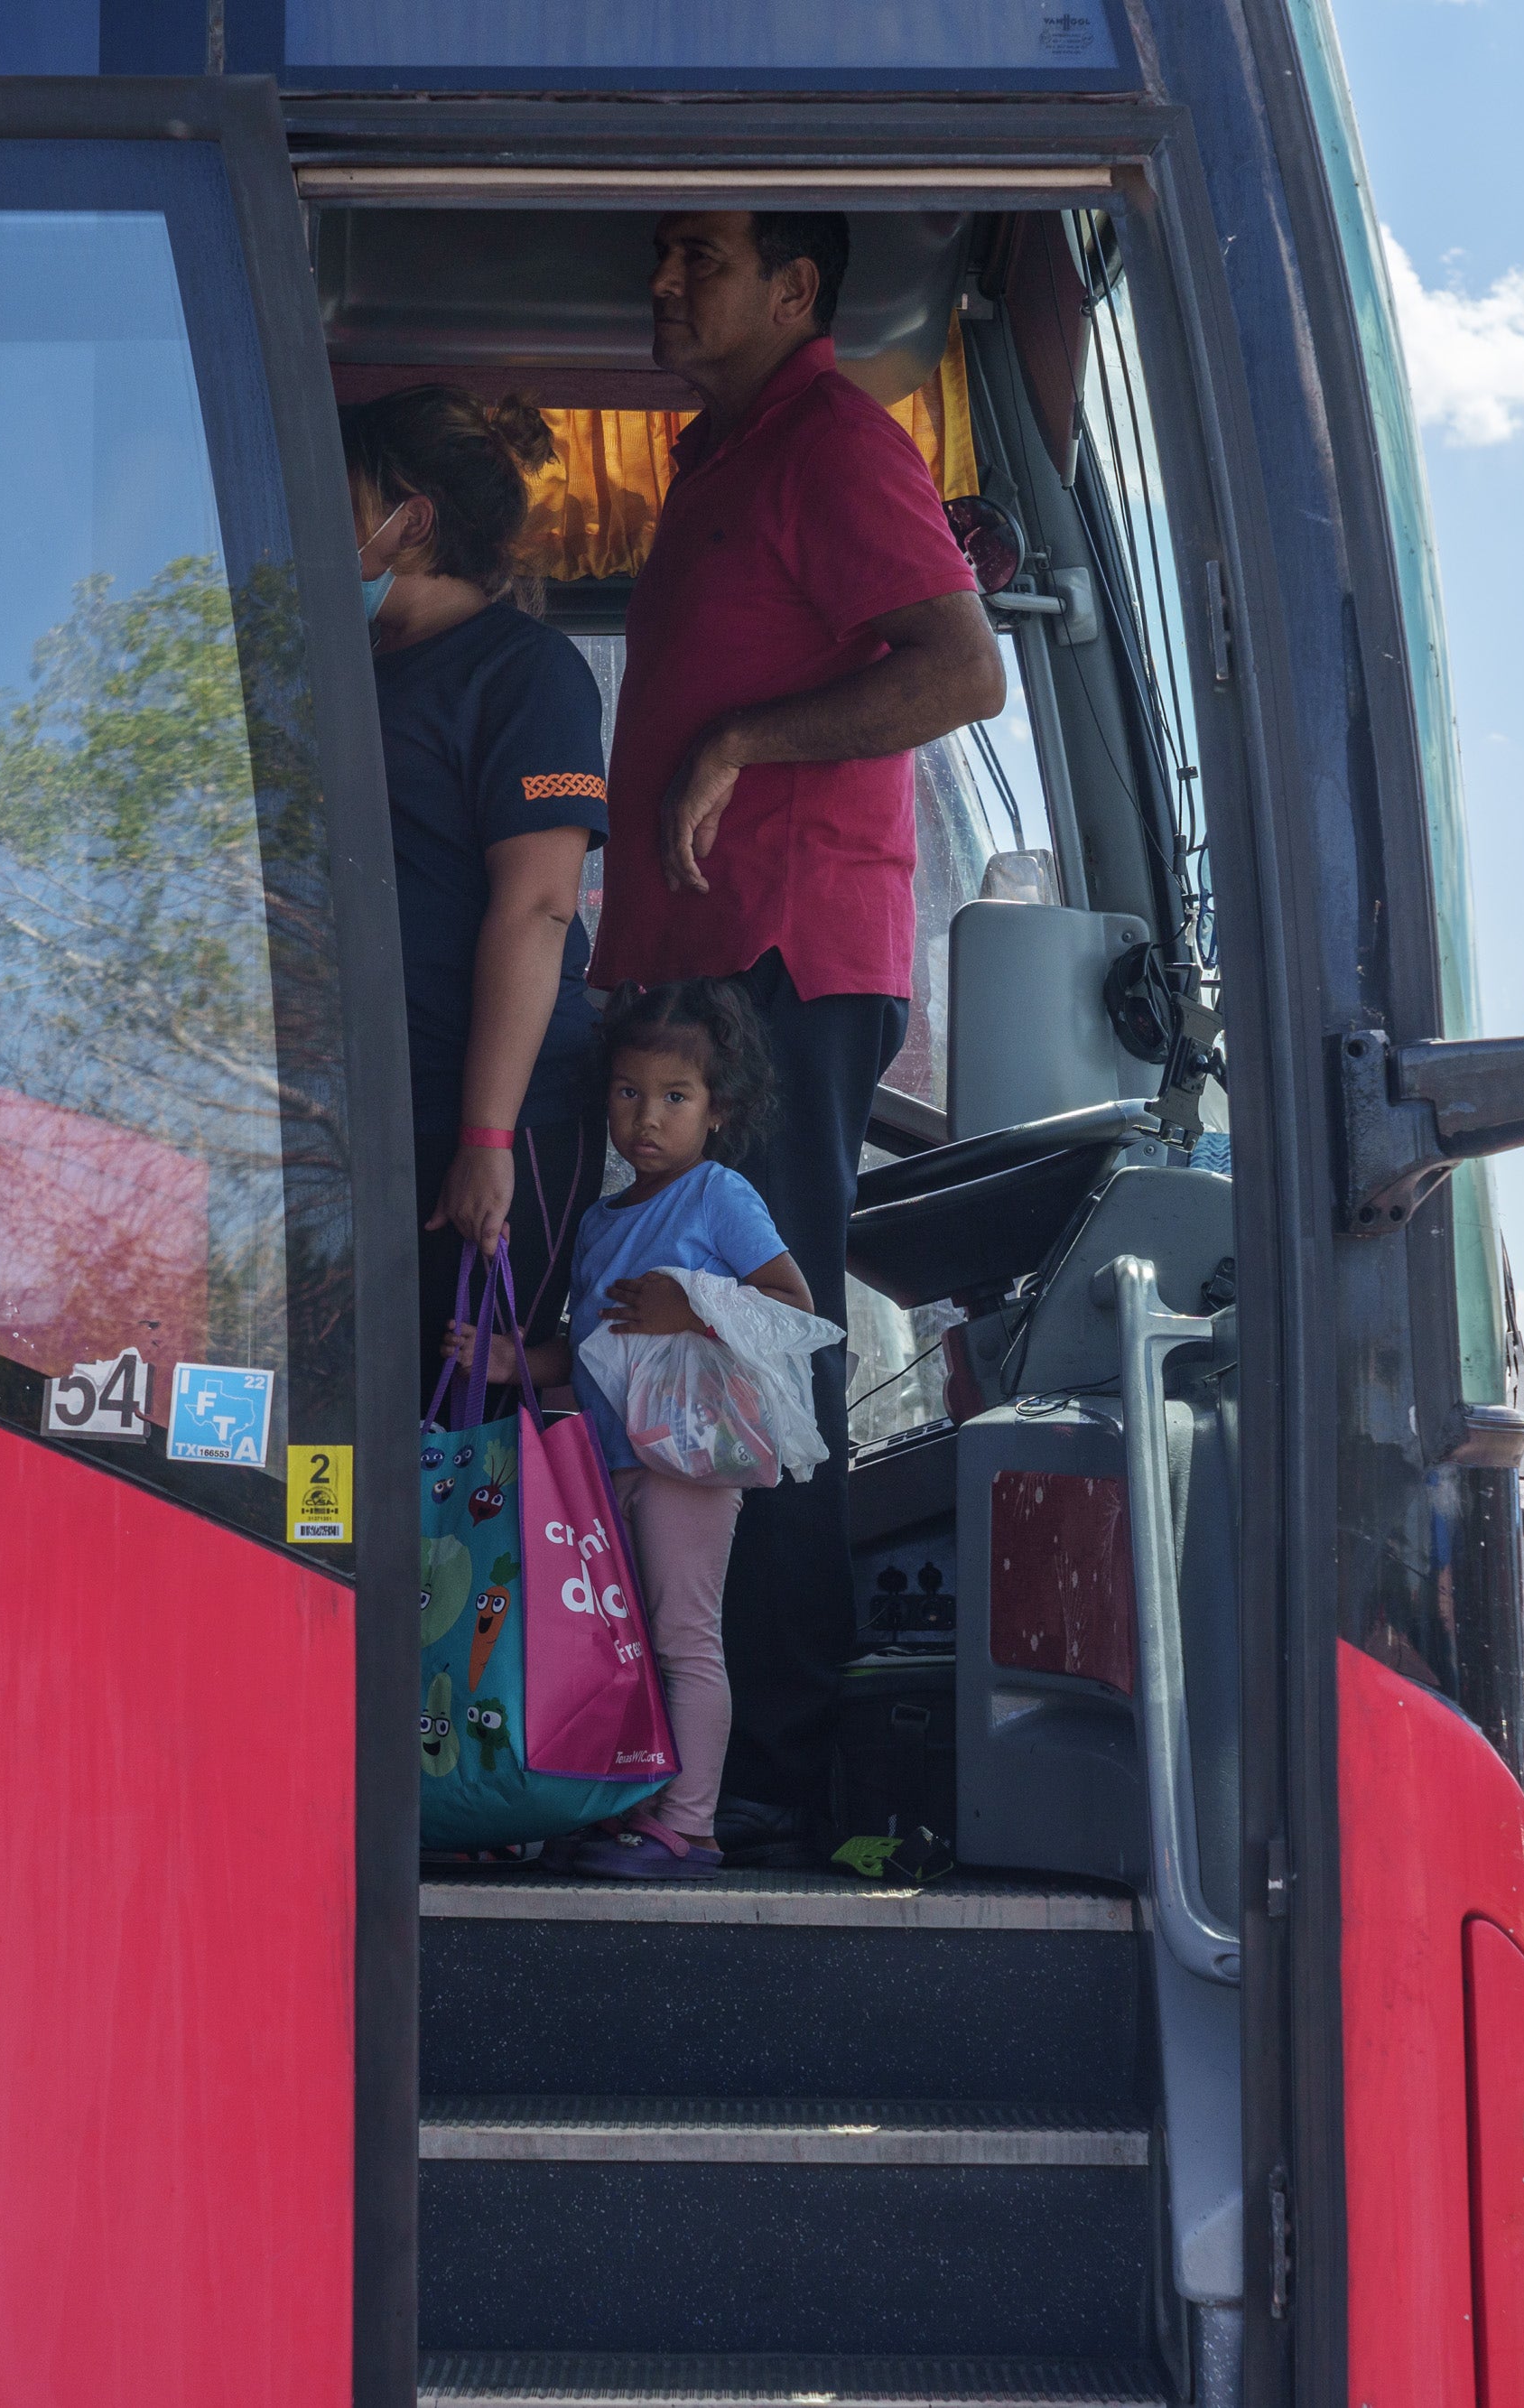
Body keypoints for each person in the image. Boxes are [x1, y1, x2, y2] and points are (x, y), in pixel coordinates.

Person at [588, 209, 1006, 1852]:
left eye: (698, 255)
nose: (663, 279)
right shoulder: (722, 451)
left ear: (797, 291)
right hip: (697, 972)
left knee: (748, 1369)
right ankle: (683, 1752)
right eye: (663, 251)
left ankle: (771, 1779)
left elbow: (963, 671)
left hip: (777, 968)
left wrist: (742, 740)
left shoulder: (834, 438)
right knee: (669, 1359)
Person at [453, 982, 821, 1881]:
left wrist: (688, 1303)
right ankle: (632, 1807)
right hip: (611, 1459)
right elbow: (590, 1347)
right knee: (625, 1642)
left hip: (690, 1460)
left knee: (682, 1639)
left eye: (674, 1098)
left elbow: (791, 1303)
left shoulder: (717, 1194)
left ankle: (689, 1826)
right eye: (627, 1093)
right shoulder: (596, 1221)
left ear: (717, 1109)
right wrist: (513, 1363)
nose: (646, 1119)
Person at [339, 384, 614, 1382]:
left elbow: (538, 908)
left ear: (408, 522)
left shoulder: (524, 674)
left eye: (336, 493)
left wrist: (485, 1136)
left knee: (463, 1411)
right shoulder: (345, 666)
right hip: (363, 1102)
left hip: (495, 1109)